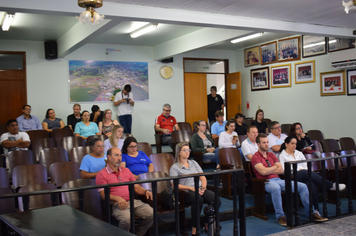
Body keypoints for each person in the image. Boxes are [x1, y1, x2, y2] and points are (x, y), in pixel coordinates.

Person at [251, 134, 327, 226]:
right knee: (276, 188)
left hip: (278, 179)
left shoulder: (271, 155)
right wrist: (274, 167)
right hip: (265, 182)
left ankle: (311, 213)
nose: (266, 144)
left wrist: (270, 169)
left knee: (303, 186)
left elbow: (281, 169)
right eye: (264, 143)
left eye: (267, 142)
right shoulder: (255, 157)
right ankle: (280, 216)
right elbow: (263, 172)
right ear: (258, 144)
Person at [279, 136, 345, 220]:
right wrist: (299, 170)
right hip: (292, 176)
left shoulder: (299, 153)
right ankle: (330, 185)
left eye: (295, 144)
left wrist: (302, 170)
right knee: (304, 172)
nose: (294, 145)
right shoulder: (282, 155)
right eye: (292, 143)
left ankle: (315, 211)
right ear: (286, 144)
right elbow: (284, 169)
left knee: (311, 183)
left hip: (305, 174)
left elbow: (306, 165)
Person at [96, 147, 153, 236]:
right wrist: (117, 198)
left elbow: (136, 187)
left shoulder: (126, 170)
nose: (119, 158)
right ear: (109, 157)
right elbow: (103, 195)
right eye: (116, 155)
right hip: (116, 204)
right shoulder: (101, 174)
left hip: (132, 201)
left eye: (120, 155)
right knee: (126, 219)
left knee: (152, 213)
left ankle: (137, 233)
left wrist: (146, 191)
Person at [170, 142, 221, 236]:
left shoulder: (193, 162)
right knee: (198, 199)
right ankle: (195, 228)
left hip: (199, 188)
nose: (187, 152)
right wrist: (192, 188)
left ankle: (207, 219)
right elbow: (174, 185)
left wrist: (203, 187)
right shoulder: (175, 167)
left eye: (188, 150)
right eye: (184, 150)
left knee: (216, 199)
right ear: (179, 153)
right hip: (185, 192)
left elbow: (202, 177)